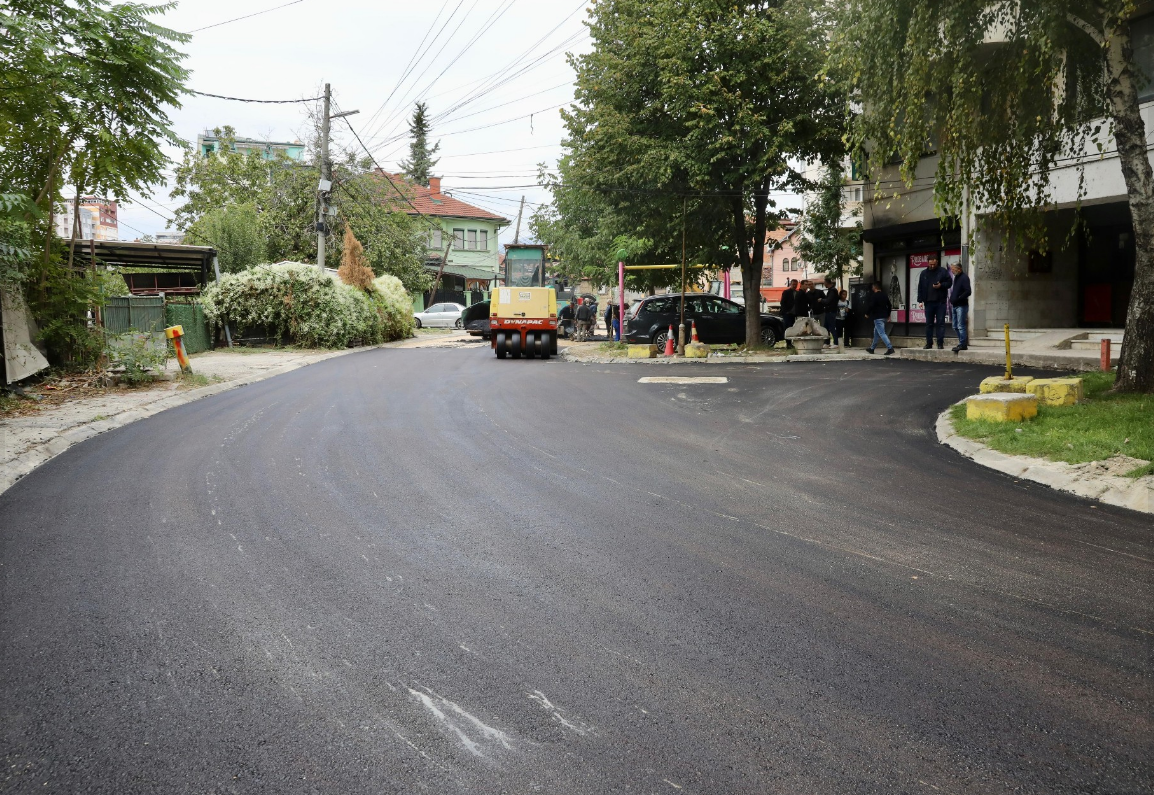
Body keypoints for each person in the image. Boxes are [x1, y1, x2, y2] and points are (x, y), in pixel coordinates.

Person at [917, 256, 953, 349]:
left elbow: (949, 283)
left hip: (940, 302)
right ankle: (929, 343)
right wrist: (920, 300)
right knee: (929, 324)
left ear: (937, 262)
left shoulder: (942, 271)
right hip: (928, 302)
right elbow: (920, 287)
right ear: (928, 263)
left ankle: (940, 343)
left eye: (934, 264)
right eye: (930, 264)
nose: (932, 266)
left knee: (940, 323)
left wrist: (941, 285)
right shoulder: (924, 273)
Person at [865, 281, 895, 355]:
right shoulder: (884, 295)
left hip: (877, 317)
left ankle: (890, 348)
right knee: (876, 333)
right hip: (884, 316)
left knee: (882, 333)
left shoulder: (874, 296)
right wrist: (888, 314)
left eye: (872, 287)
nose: (872, 288)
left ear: (875, 287)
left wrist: (867, 313)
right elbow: (889, 305)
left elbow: (871, 305)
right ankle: (872, 348)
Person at [949, 262, 971, 352]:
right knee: (955, 326)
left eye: (953, 269)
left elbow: (968, 291)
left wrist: (959, 298)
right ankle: (962, 342)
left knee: (961, 325)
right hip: (955, 305)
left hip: (961, 305)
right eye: (951, 269)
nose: (952, 271)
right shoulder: (956, 278)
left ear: (959, 269)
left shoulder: (964, 278)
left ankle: (963, 344)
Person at [821, 278, 839, 346]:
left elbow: (828, 300)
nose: (824, 284)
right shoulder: (831, 290)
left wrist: (821, 300)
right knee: (826, 327)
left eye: (824, 283)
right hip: (828, 311)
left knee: (831, 327)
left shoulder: (832, 291)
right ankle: (827, 342)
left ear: (827, 283)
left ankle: (836, 342)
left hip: (831, 311)